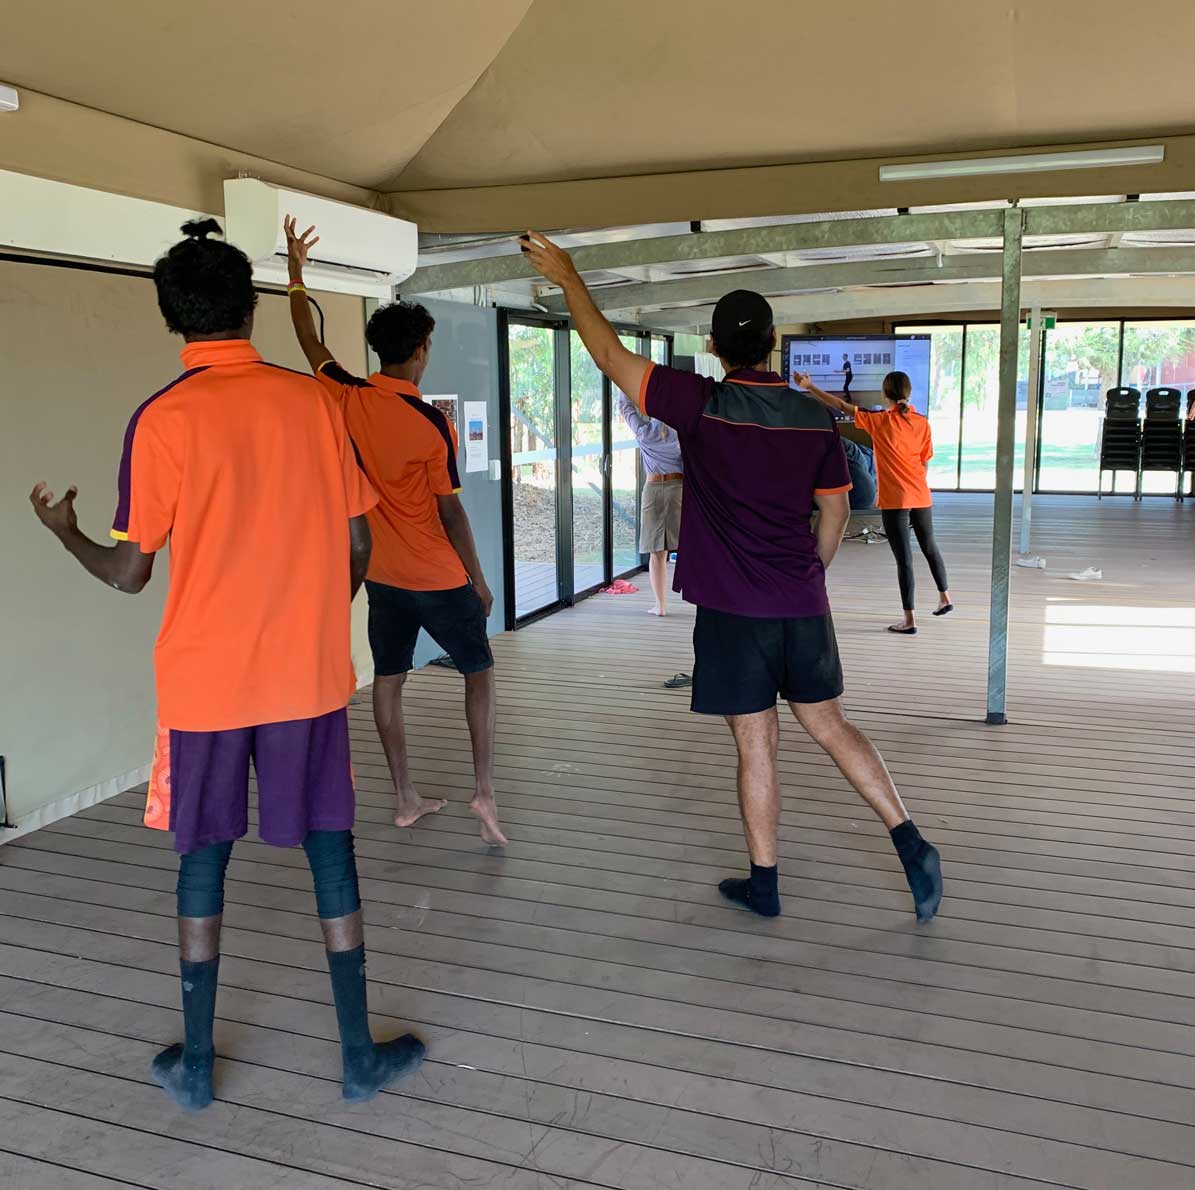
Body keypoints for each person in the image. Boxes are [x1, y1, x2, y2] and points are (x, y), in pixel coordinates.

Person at [29, 220, 424, 1109]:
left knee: (201, 856)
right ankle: (358, 1057)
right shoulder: (314, 405)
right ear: (249, 307)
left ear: (174, 318)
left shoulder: (161, 420)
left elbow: (131, 573)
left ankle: (197, 1068)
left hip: (203, 686)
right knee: (332, 849)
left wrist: (65, 535)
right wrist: (318, 616)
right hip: (306, 677)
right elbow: (360, 541)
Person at [520, 232, 943, 924]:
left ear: (715, 348)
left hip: (732, 611)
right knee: (830, 725)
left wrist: (569, 278)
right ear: (775, 340)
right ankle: (911, 841)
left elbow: (606, 354)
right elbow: (834, 513)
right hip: (800, 604)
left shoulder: (699, 404)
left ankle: (766, 884)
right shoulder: (814, 416)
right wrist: (809, 576)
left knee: (756, 743)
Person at [284, 218, 505, 846]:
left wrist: (297, 274)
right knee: (478, 673)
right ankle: (484, 792)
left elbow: (309, 339)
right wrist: (479, 581)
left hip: (380, 574)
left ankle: (406, 797)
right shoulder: (430, 425)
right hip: (437, 575)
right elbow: (451, 513)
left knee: (389, 679)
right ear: (422, 348)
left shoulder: (345, 395)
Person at [798, 370, 953, 634]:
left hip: (896, 499)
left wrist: (809, 386)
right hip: (921, 496)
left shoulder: (879, 421)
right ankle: (945, 597)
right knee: (930, 547)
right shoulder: (922, 422)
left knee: (904, 560)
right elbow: (925, 461)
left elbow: (840, 405)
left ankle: (909, 620)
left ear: (885, 393)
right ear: (909, 393)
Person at [617, 388, 683, 615]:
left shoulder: (644, 432)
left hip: (653, 489)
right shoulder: (681, 433)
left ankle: (660, 606)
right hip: (678, 489)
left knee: (657, 553)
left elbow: (625, 408)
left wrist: (622, 384)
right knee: (689, 547)